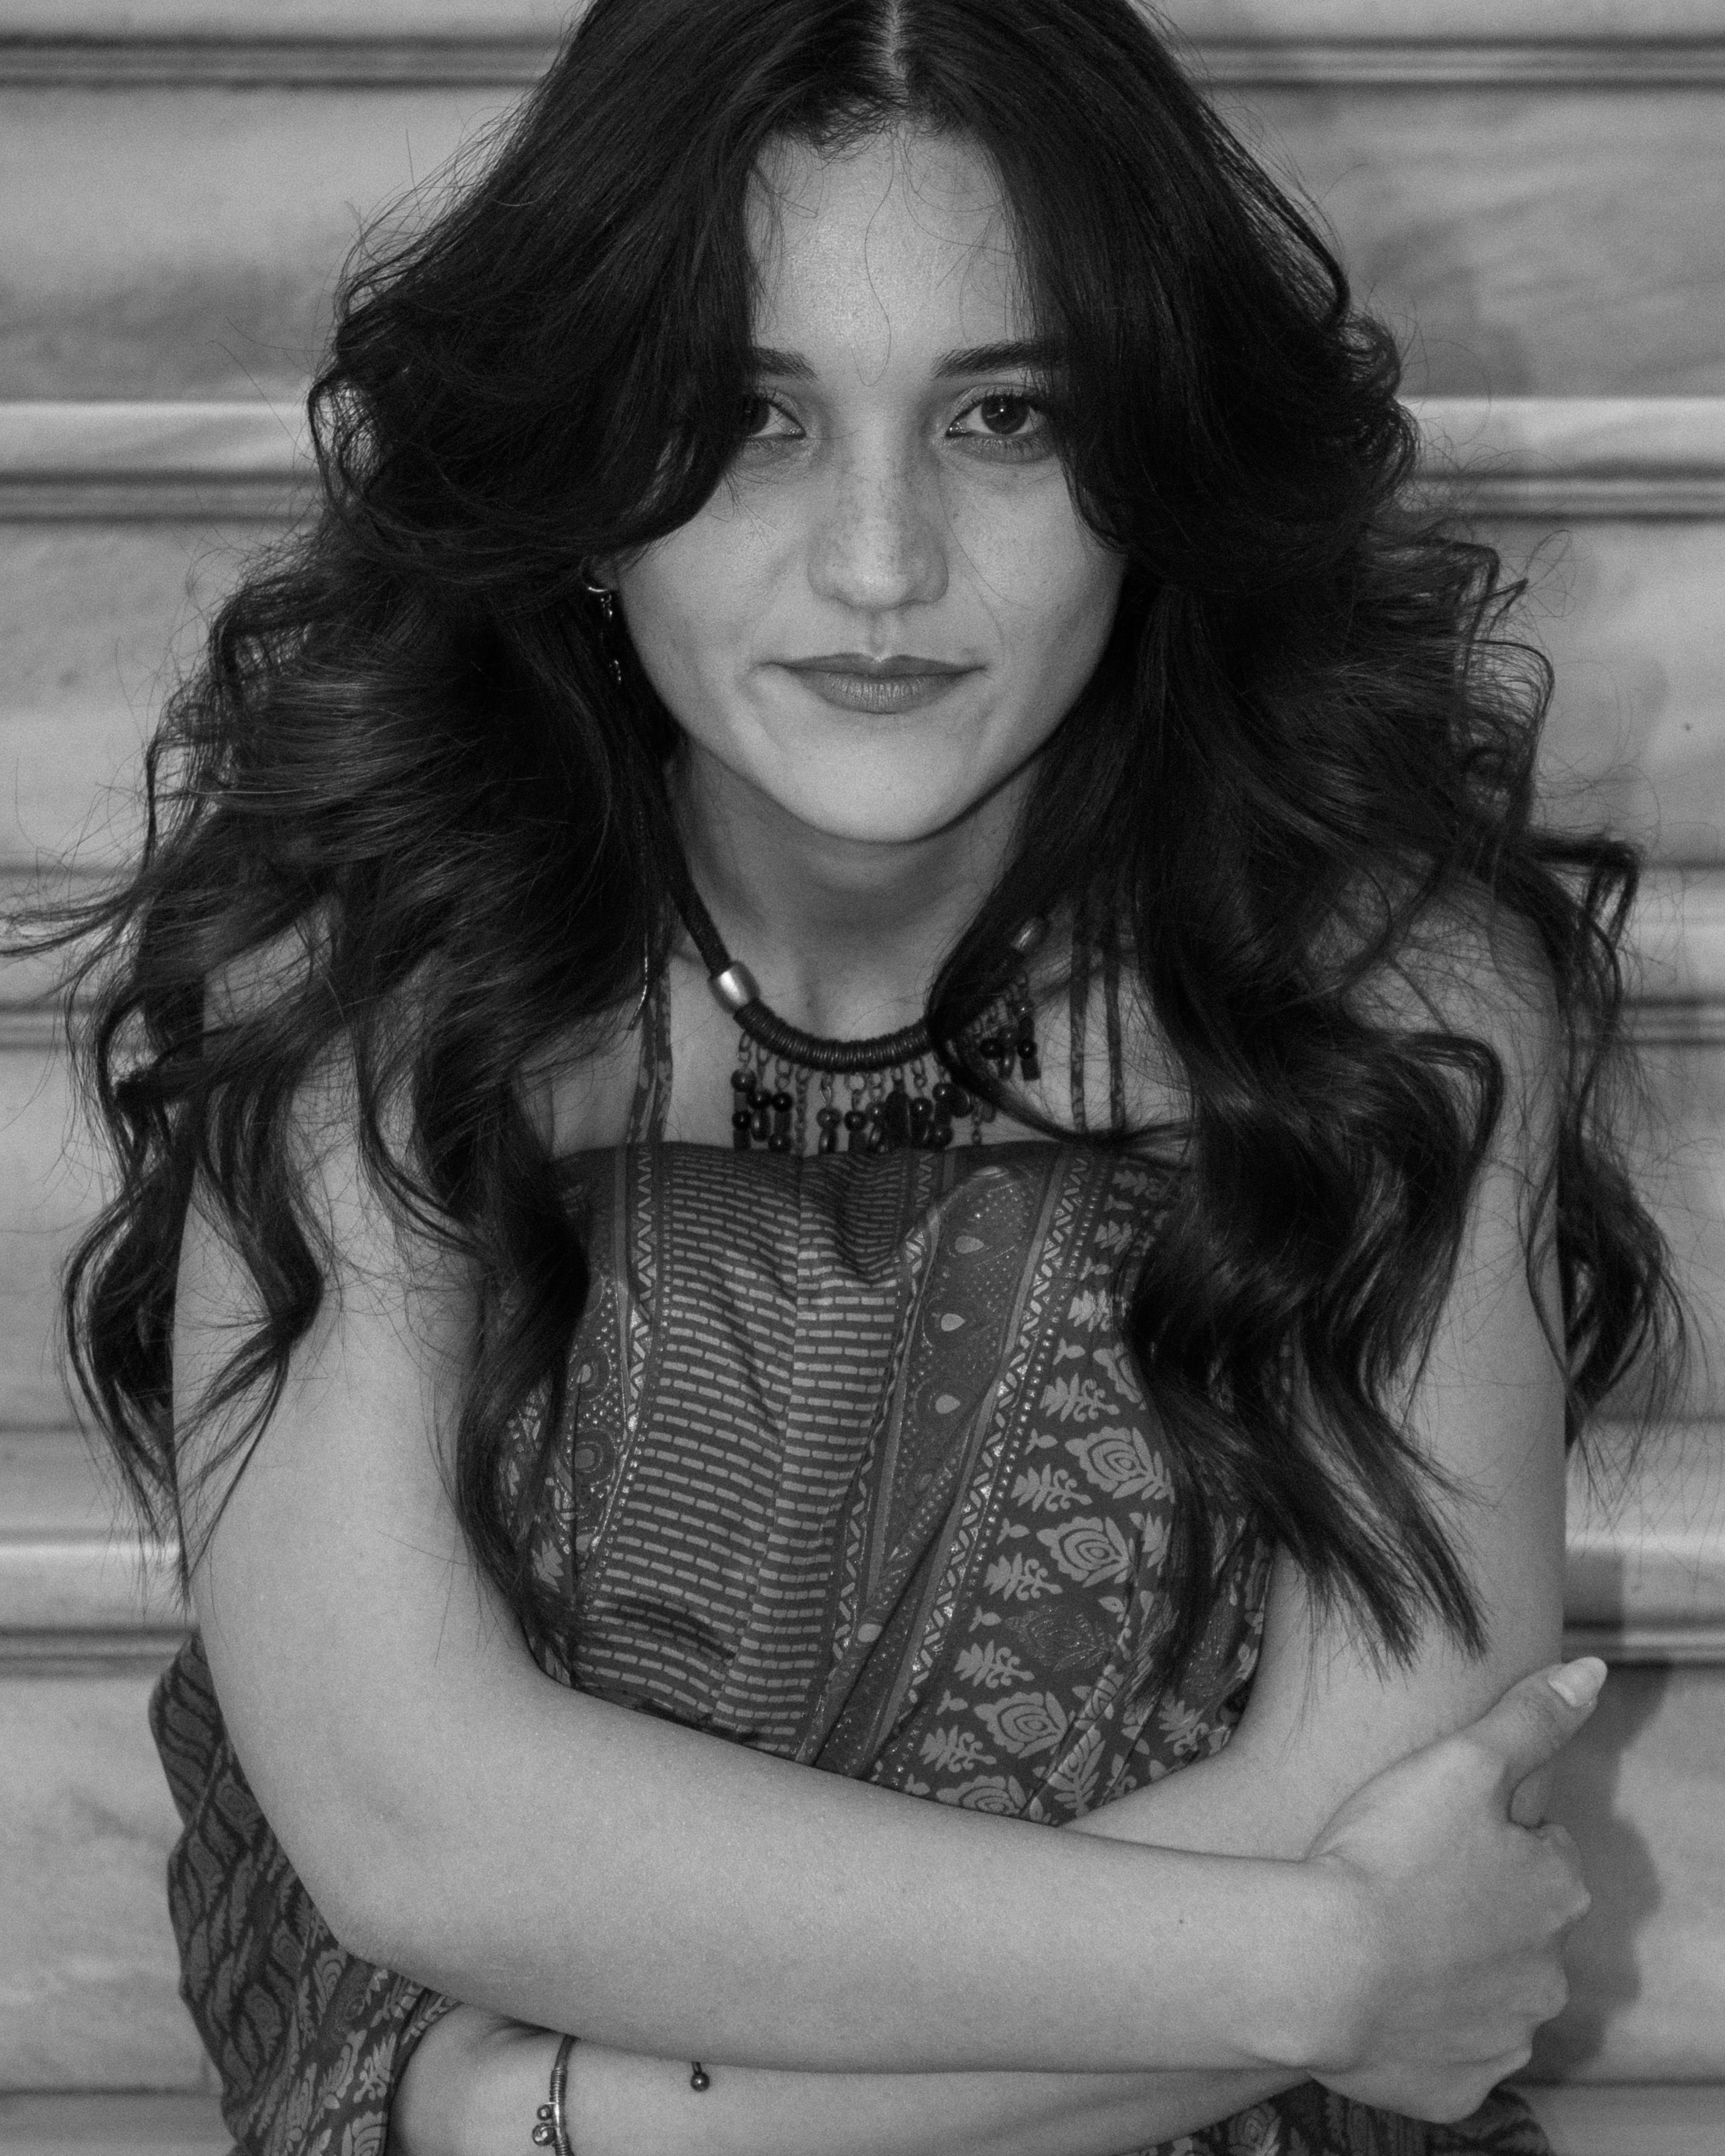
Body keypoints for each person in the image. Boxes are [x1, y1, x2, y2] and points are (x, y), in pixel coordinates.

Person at [54, 2, 1679, 2151]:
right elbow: (409, 1828)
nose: (882, 564)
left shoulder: (1386, 995)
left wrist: (604, 2125)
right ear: (582, 481)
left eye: (1005, 416)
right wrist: (1307, 1973)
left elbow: (1395, 1796)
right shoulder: (385, 968)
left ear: (1154, 470)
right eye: (750, 419)